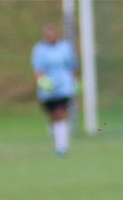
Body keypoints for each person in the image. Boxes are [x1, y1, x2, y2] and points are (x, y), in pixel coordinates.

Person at [31, 23, 79, 156]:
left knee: (61, 113)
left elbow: (72, 66)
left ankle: (62, 146)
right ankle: (57, 136)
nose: (50, 36)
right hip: (48, 89)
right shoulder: (39, 49)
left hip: (64, 87)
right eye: (48, 34)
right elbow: (38, 69)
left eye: (52, 33)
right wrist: (43, 82)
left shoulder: (65, 47)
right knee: (52, 116)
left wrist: (74, 81)